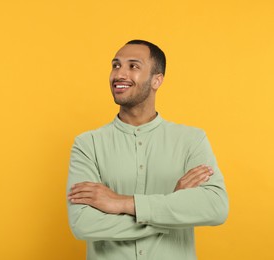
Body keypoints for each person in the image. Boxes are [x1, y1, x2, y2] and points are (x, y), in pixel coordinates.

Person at [66, 40, 228, 260]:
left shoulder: (192, 140)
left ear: (156, 80)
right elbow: (83, 224)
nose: (119, 74)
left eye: (133, 66)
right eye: (115, 65)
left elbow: (216, 207)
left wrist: (123, 203)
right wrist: (171, 208)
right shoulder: (88, 144)